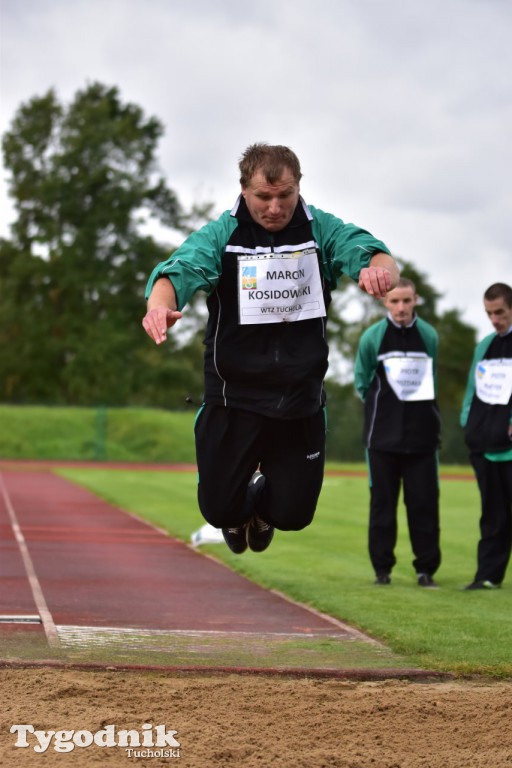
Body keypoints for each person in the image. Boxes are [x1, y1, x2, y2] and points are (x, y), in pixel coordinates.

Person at [142, 143, 399, 555]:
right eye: (264, 197)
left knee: (294, 515)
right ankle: (239, 511)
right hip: (233, 396)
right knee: (219, 511)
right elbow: (178, 271)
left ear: (299, 188)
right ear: (244, 191)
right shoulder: (222, 235)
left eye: (286, 195)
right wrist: (160, 308)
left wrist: (376, 272)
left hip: (298, 399)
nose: (276, 207)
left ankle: (261, 508)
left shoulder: (321, 230)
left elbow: (372, 252)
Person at [354, 277, 441, 587]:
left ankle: (426, 570)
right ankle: (382, 570)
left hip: (422, 439)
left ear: (415, 300)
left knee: (424, 506)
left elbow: (431, 377)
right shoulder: (372, 338)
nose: (401, 308)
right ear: (384, 303)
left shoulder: (429, 335)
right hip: (381, 439)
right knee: (382, 507)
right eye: (395, 301)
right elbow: (362, 381)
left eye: (406, 301)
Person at [460, 282, 512, 590]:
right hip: (484, 445)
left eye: (500, 312)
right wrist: (469, 422)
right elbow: (472, 389)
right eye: (489, 313)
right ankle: (488, 576)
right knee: (492, 515)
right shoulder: (485, 345)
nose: (494, 319)